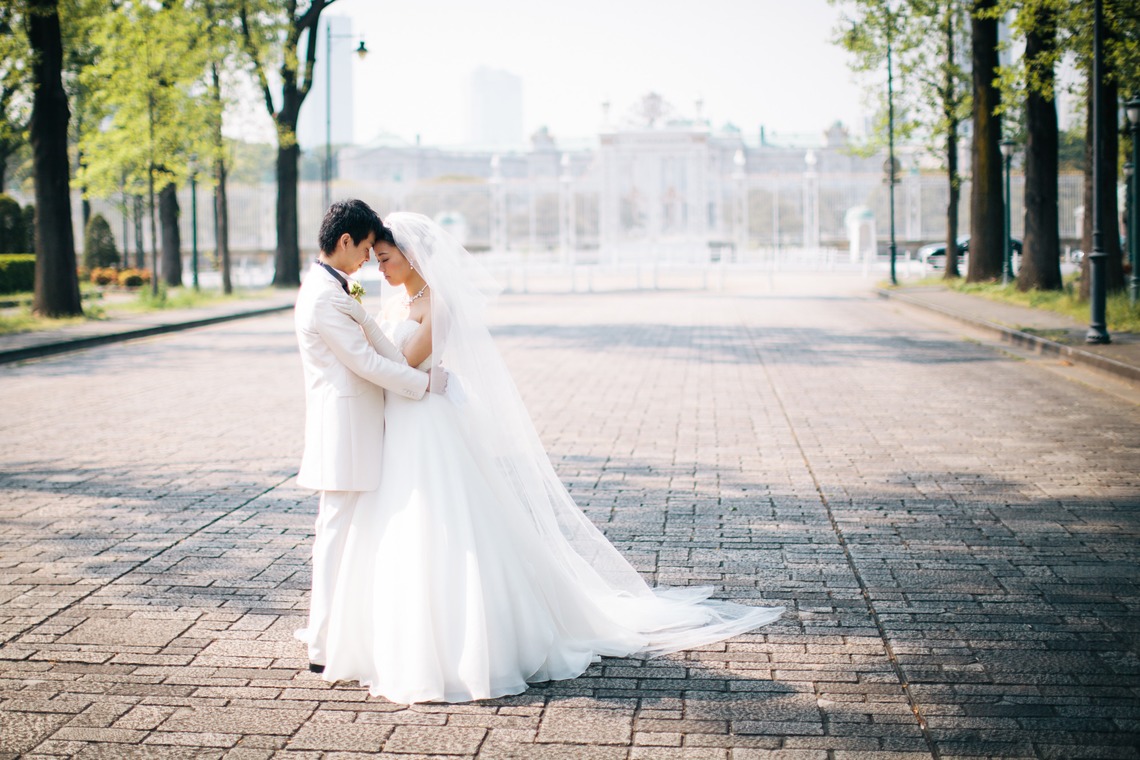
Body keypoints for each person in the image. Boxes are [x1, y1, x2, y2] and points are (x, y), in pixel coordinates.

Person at [321, 212, 784, 704]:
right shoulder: (395, 301)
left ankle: (464, 642)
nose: (379, 268)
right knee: (399, 518)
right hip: (399, 422)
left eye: (385, 258)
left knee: (444, 521)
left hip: (427, 424)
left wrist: (361, 333)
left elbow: (401, 363)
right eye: (375, 259)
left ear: (412, 256)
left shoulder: (440, 305)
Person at [292, 200, 433, 674]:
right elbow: (364, 362)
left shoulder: (331, 288)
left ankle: (341, 634)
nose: (369, 259)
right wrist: (423, 384)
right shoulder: (324, 297)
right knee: (335, 538)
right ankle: (322, 644)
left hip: (353, 429)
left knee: (346, 537)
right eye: (366, 248)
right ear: (346, 240)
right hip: (345, 432)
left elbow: (372, 344)